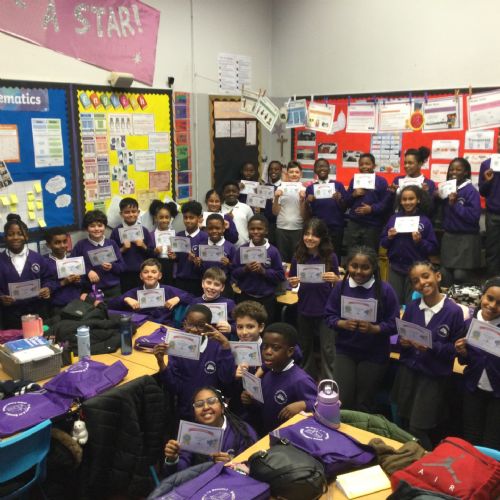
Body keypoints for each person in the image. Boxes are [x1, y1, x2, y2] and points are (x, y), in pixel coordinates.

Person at [391, 261, 465, 450]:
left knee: (418, 427)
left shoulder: (454, 311)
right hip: (409, 372)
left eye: (426, 276)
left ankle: (430, 458)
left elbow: (455, 350)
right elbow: (399, 337)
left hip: (432, 377)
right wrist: (402, 342)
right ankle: (409, 458)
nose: (422, 283)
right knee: (403, 421)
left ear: (437, 276)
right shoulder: (412, 307)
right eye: (416, 281)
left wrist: (431, 347)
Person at [325, 245, 399, 413]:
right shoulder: (340, 287)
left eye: (365, 267)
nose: (358, 271)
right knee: (342, 399)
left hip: (374, 354)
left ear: (373, 268)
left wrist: (375, 329)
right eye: (354, 266)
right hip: (345, 350)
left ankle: (361, 429)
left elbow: (395, 324)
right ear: (347, 266)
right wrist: (341, 323)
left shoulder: (385, 290)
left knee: (364, 401)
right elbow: (329, 315)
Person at [154, 304, 236, 420]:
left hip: (212, 411)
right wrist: (161, 363)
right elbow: (173, 387)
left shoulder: (217, 347)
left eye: (200, 326)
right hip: (187, 410)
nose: (193, 329)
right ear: (184, 323)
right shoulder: (177, 346)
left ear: (208, 327)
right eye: (190, 324)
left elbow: (226, 380)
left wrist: (226, 346)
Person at [241, 322, 317, 435]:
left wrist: (305, 405)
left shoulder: (300, 380)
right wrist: (250, 402)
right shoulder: (268, 374)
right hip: (267, 434)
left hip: (289, 439)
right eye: (265, 346)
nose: (268, 352)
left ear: (290, 351)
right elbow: (263, 408)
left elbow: (320, 407)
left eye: (275, 348)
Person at [288, 218, 340, 380]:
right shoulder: (298, 257)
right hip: (304, 307)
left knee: (328, 348)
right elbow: (292, 282)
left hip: (326, 309)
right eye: (307, 234)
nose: (309, 238)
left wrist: (336, 279)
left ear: (322, 237)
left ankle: (329, 381)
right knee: (304, 347)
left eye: (314, 235)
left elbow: (338, 283)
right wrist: (293, 282)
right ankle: (305, 378)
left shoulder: (330, 257)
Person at [163, 386, 257, 475]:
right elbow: (181, 473)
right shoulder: (190, 434)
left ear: (222, 408)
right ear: (194, 414)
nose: (206, 407)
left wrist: (232, 464)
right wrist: (173, 459)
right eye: (199, 404)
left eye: (211, 401)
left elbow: (255, 467)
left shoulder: (243, 430)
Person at [455, 277, 500, 449]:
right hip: (473, 388)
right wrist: (462, 352)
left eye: (499, 303)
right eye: (490, 298)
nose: (492, 305)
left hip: (497, 394)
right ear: (482, 296)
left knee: (492, 441)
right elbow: (464, 361)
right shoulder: (470, 323)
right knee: (471, 437)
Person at [380, 186, 438, 304]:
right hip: (395, 268)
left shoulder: (424, 221)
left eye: (411, 199)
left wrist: (420, 242)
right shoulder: (394, 219)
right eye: (404, 199)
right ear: (400, 201)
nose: (407, 202)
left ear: (418, 200)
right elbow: (383, 243)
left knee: (412, 303)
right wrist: (389, 237)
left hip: (416, 270)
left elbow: (433, 248)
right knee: (394, 301)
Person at [0, 214, 52, 329]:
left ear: (26, 236)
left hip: (37, 311)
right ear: (5, 237)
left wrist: (47, 288)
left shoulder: (37, 258)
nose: (15, 237)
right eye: (10, 234)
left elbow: (49, 278)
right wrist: (1, 297)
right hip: (11, 314)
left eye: (20, 234)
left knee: (38, 337)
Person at [231, 214, 285, 322]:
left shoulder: (273, 251)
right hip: (246, 297)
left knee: (265, 326)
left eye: (259, 229)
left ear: (266, 231)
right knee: (246, 324)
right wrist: (245, 269)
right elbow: (233, 273)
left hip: (267, 299)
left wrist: (263, 271)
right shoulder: (242, 249)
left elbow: (280, 276)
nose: (255, 232)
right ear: (248, 230)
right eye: (252, 229)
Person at [107, 258, 192, 325]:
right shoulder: (133, 293)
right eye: (146, 272)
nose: (150, 275)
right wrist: (125, 299)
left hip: (163, 327)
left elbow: (192, 298)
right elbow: (110, 305)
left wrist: (178, 298)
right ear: (141, 276)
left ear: (159, 276)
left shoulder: (168, 290)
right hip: (140, 327)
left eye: (154, 272)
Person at [440, 158, 481, 286]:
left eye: (458, 169)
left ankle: (463, 298)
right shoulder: (447, 188)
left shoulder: (471, 191)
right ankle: (447, 298)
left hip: (466, 238)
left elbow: (473, 217)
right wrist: (435, 196)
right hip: (449, 237)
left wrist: (455, 204)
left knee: (460, 274)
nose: (454, 172)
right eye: (451, 169)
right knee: (445, 273)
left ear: (466, 172)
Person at [71, 210, 125, 299]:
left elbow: (122, 267)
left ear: (104, 227)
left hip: (113, 289)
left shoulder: (112, 243)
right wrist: (88, 272)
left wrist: (112, 266)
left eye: (100, 225)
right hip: (90, 290)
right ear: (87, 228)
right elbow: (72, 266)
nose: (96, 229)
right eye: (92, 226)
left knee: (114, 308)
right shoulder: (80, 245)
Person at [344, 154, 391, 253]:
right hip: (354, 223)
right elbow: (347, 202)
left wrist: (371, 209)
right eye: (361, 164)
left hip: (373, 225)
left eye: (367, 164)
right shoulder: (354, 180)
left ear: (374, 165)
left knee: (370, 254)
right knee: (352, 252)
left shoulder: (381, 182)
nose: (364, 166)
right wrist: (353, 195)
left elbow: (385, 204)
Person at [110, 197, 154, 293]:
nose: (131, 214)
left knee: (141, 296)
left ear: (138, 212)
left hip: (142, 273)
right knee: (126, 298)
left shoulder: (144, 231)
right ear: (121, 214)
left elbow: (152, 254)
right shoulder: (116, 231)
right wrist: (123, 249)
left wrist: (143, 246)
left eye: (134, 211)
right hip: (124, 274)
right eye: (127, 212)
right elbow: (111, 256)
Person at [305, 158, 347, 256]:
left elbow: (345, 207)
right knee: (318, 254)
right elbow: (308, 212)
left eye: (324, 166)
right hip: (317, 228)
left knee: (335, 254)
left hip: (335, 227)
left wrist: (340, 199)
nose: (321, 169)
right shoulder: (310, 188)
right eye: (318, 166)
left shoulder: (338, 185)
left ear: (329, 168)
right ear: (315, 170)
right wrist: (307, 201)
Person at [168, 200, 208, 296]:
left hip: (198, 281)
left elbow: (207, 263)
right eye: (185, 217)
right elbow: (177, 259)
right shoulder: (179, 235)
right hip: (180, 280)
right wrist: (173, 257)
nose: (188, 220)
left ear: (199, 218)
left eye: (191, 217)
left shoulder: (205, 237)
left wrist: (196, 262)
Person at [272, 160, 306, 262]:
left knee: (297, 259)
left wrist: (302, 200)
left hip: (298, 229)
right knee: (282, 260)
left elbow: (304, 215)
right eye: (291, 172)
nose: (294, 174)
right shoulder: (280, 188)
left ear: (301, 174)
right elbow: (275, 212)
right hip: (281, 228)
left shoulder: (304, 190)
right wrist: (276, 197)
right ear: (287, 173)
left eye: (297, 172)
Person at [44, 227, 82, 314]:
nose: (62, 245)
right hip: (57, 306)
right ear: (48, 245)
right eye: (57, 243)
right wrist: (63, 282)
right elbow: (45, 288)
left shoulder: (73, 260)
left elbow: (81, 283)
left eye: (65, 241)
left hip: (76, 303)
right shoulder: (44, 263)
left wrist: (78, 280)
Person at [191, 267, 236, 338]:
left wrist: (231, 328)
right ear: (202, 283)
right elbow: (185, 323)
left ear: (222, 288)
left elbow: (239, 325)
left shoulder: (229, 304)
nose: (212, 287)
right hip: (199, 339)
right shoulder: (195, 302)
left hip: (220, 341)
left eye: (216, 284)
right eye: (208, 283)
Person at [194, 213, 236, 279]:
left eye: (217, 228)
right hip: (205, 282)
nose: (214, 231)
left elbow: (235, 269)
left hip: (224, 283)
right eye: (210, 228)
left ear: (223, 229)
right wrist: (197, 264)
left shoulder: (230, 247)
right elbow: (197, 271)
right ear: (206, 229)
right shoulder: (201, 246)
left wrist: (228, 264)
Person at [479, 155, 500, 276]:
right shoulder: (487, 164)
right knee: (492, 251)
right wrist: (488, 181)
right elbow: (482, 191)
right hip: (494, 214)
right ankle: (493, 281)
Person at [150, 200, 178, 285]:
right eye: (161, 217)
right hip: (156, 267)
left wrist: (174, 256)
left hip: (171, 268)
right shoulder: (151, 235)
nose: (164, 220)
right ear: (156, 218)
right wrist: (154, 252)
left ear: (170, 218)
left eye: (167, 217)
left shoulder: (175, 235)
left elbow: (179, 257)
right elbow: (147, 254)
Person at [220, 181, 253, 248]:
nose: (231, 194)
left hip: (244, 247)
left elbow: (252, 226)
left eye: (234, 191)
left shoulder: (246, 207)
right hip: (225, 247)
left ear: (238, 192)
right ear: (223, 193)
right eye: (228, 192)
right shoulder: (219, 208)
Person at [262, 160, 283, 245]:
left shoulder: (284, 186)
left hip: (280, 224)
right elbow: (261, 206)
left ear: (281, 171)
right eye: (271, 169)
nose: (273, 171)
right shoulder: (264, 187)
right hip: (267, 223)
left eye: (276, 169)